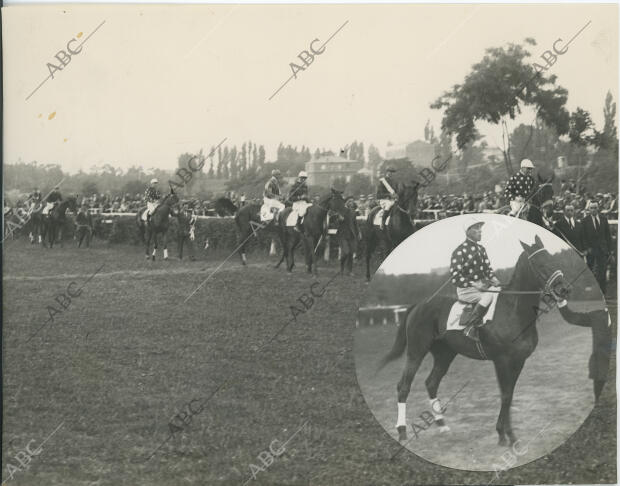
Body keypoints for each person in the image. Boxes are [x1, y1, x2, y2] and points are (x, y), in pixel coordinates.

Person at [450, 219, 501, 341]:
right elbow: (455, 276)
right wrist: (474, 285)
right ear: (469, 232)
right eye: (477, 229)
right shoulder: (459, 251)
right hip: (466, 289)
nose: (480, 231)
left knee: (499, 289)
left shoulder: (481, 249)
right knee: (489, 295)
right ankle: (471, 326)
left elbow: (487, 269)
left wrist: (494, 278)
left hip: (482, 287)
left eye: (480, 229)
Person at [582, 202, 612, 294]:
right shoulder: (585, 221)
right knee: (590, 271)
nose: (593, 210)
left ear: (598, 208)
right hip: (591, 250)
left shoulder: (603, 219)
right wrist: (587, 248)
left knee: (602, 271)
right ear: (589, 209)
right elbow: (583, 237)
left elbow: (608, 235)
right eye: (591, 208)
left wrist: (610, 250)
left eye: (595, 208)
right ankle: (591, 293)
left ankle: (603, 293)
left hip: (602, 250)